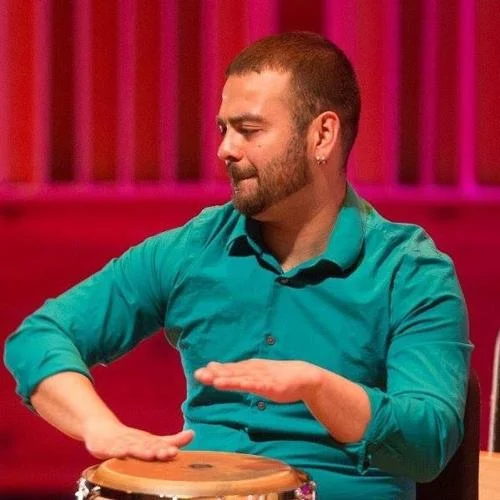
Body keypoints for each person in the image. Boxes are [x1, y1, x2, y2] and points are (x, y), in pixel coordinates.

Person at [4, 32, 471, 499]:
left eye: (248, 130)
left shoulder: (410, 272)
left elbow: (428, 444)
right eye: (223, 129)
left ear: (322, 135)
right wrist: (98, 426)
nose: (226, 149)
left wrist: (318, 388)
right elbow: (42, 336)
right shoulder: (194, 248)